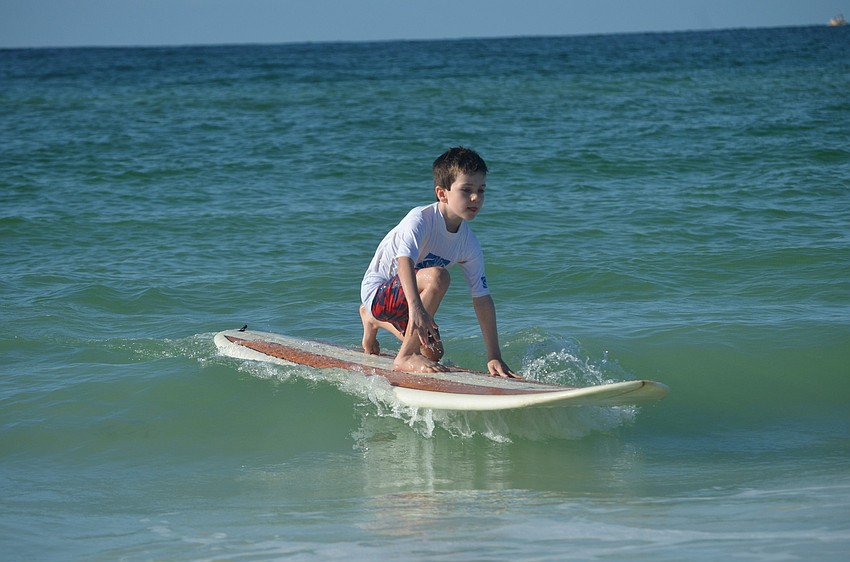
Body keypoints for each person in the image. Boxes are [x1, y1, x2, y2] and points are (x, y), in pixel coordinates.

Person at [359, 147, 519, 377]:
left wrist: (494, 355)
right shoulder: (421, 220)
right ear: (442, 193)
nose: (475, 198)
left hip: (411, 298)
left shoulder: (468, 243)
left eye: (481, 190)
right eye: (466, 190)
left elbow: (482, 298)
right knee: (438, 276)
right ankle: (403, 357)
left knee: (433, 353)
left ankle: (371, 320)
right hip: (379, 293)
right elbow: (404, 262)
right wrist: (417, 310)